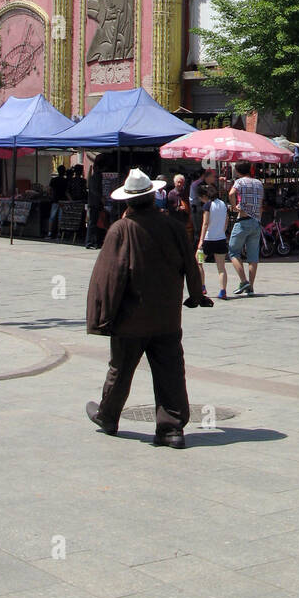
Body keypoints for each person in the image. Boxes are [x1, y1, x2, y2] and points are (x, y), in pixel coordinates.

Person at [85, 168, 211, 448]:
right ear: (153, 196)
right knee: (170, 370)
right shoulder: (174, 227)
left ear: (128, 201)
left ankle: (108, 416)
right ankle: (172, 429)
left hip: (130, 316)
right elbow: (191, 264)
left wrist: (102, 317)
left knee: (120, 368)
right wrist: (195, 294)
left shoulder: (122, 229)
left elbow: (110, 275)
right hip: (166, 315)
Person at [228, 160, 264, 296]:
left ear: (237, 171)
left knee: (233, 251)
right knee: (253, 256)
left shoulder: (240, 182)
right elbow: (260, 204)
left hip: (243, 220)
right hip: (256, 221)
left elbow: (231, 194)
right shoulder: (259, 183)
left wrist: (233, 206)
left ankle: (243, 281)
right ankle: (251, 286)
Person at [196, 184, 230, 299]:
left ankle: (202, 287)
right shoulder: (223, 204)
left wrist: (200, 241)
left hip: (207, 239)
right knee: (221, 267)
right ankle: (223, 291)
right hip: (220, 239)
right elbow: (226, 221)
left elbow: (205, 223)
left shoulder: (207, 205)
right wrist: (222, 231)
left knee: (198, 262)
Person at [45, 164, 68, 241]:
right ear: (64, 172)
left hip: (55, 200)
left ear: (58, 171)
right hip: (63, 201)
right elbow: (67, 192)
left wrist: (50, 195)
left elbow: (49, 190)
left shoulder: (53, 180)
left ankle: (49, 233)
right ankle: (59, 233)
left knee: (52, 217)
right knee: (60, 218)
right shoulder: (65, 181)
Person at [85, 163, 104, 250]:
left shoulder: (94, 177)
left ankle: (93, 241)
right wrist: (101, 198)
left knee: (93, 223)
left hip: (93, 203)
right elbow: (95, 191)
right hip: (94, 204)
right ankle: (89, 242)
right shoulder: (96, 177)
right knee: (92, 223)